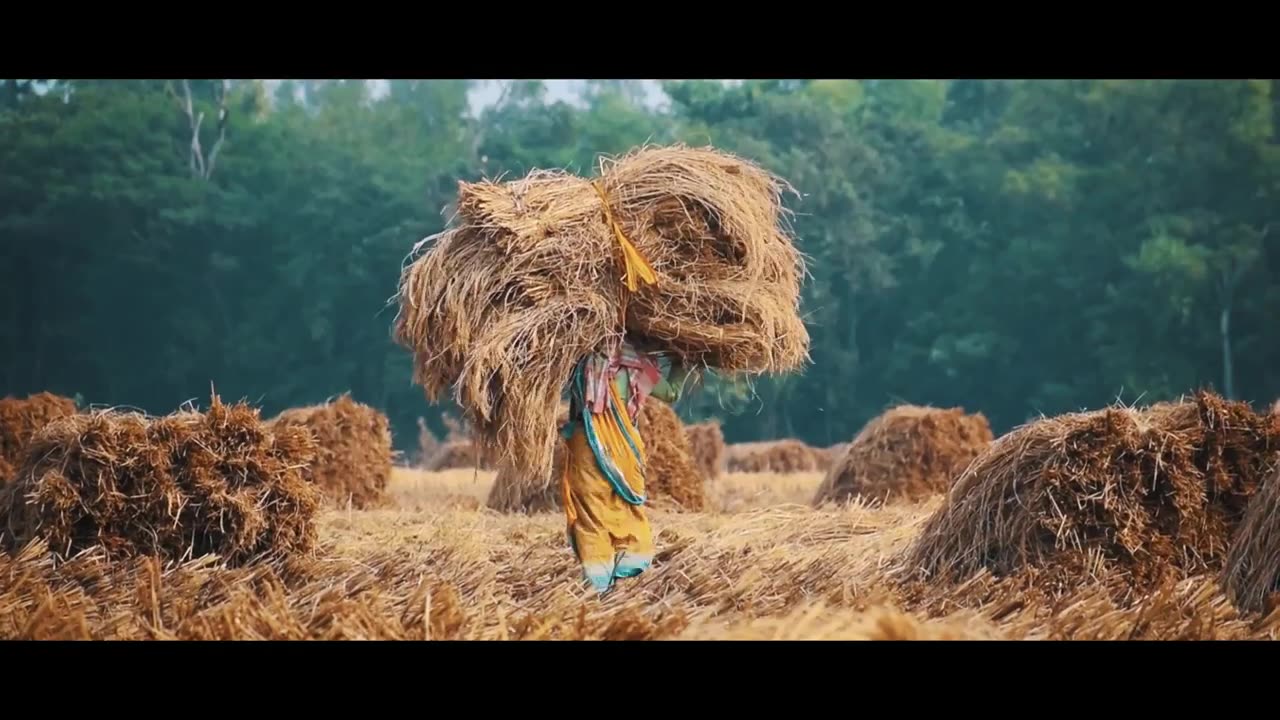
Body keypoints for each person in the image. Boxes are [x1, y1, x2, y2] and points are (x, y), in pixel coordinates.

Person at [558, 337, 691, 594]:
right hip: (625, 453)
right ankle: (623, 580)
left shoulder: (583, 357)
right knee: (627, 512)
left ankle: (597, 587)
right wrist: (681, 361)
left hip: (588, 446)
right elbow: (671, 393)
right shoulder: (640, 365)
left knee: (592, 518)